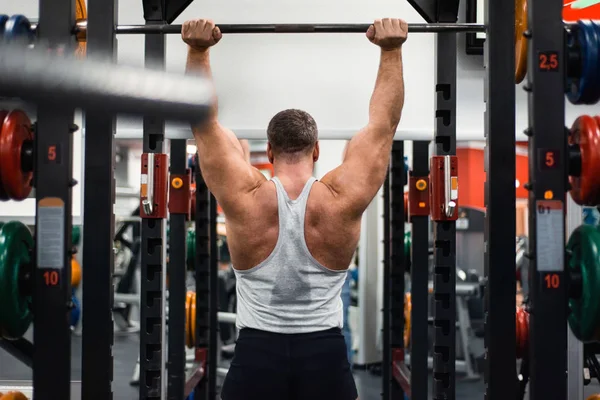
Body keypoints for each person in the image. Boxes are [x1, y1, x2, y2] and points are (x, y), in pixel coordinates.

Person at [182, 17, 407, 400]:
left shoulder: (245, 196)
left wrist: (198, 50)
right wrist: (391, 49)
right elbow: (383, 124)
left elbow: (203, 123)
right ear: (316, 150)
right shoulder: (340, 198)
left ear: (268, 152)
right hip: (324, 355)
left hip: (256, 354)